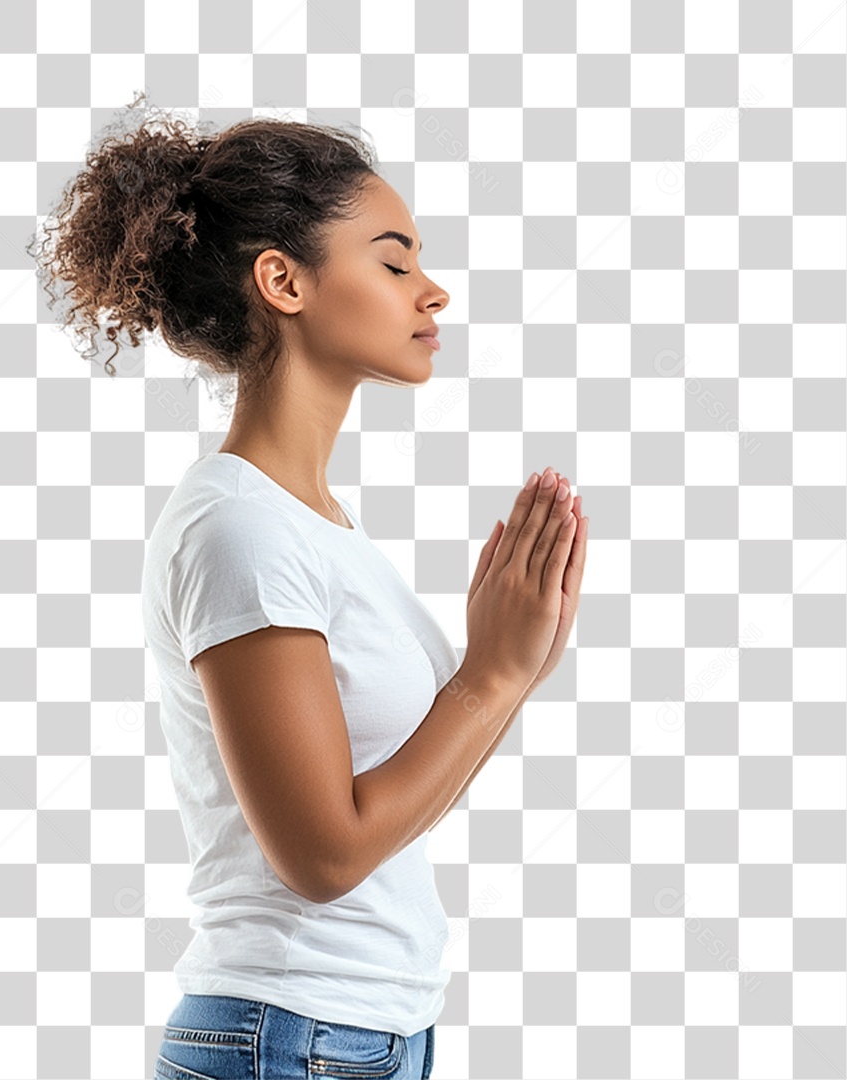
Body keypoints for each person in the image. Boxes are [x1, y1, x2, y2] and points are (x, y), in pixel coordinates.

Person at [31, 90, 588, 1080]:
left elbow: (396, 811)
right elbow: (324, 856)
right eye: (393, 259)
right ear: (283, 281)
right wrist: (486, 681)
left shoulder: (314, 525)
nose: (432, 292)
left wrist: (517, 665)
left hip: (352, 1038)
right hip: (288, 1042)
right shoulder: (237, 524)